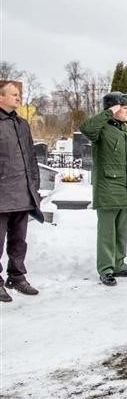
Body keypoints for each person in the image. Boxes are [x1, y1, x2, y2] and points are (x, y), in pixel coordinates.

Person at [80, 91, 127, 287]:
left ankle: (119, 265)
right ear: (114, 108)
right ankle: (106, 269)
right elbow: (86, 129)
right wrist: (108, 112)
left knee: (122, 231)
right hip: (107, 188)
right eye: (125, 108)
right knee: (107, 233)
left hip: (124, 188)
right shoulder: (101, 129)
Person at [0, 80, 43, 302]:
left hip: (22, 193)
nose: (18, 98)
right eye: (14, 94)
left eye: (19, 94)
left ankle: (16, 276)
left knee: (19, 240)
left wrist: (34, 185)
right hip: (2, 194)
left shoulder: (22, 124)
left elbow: (31, 157)